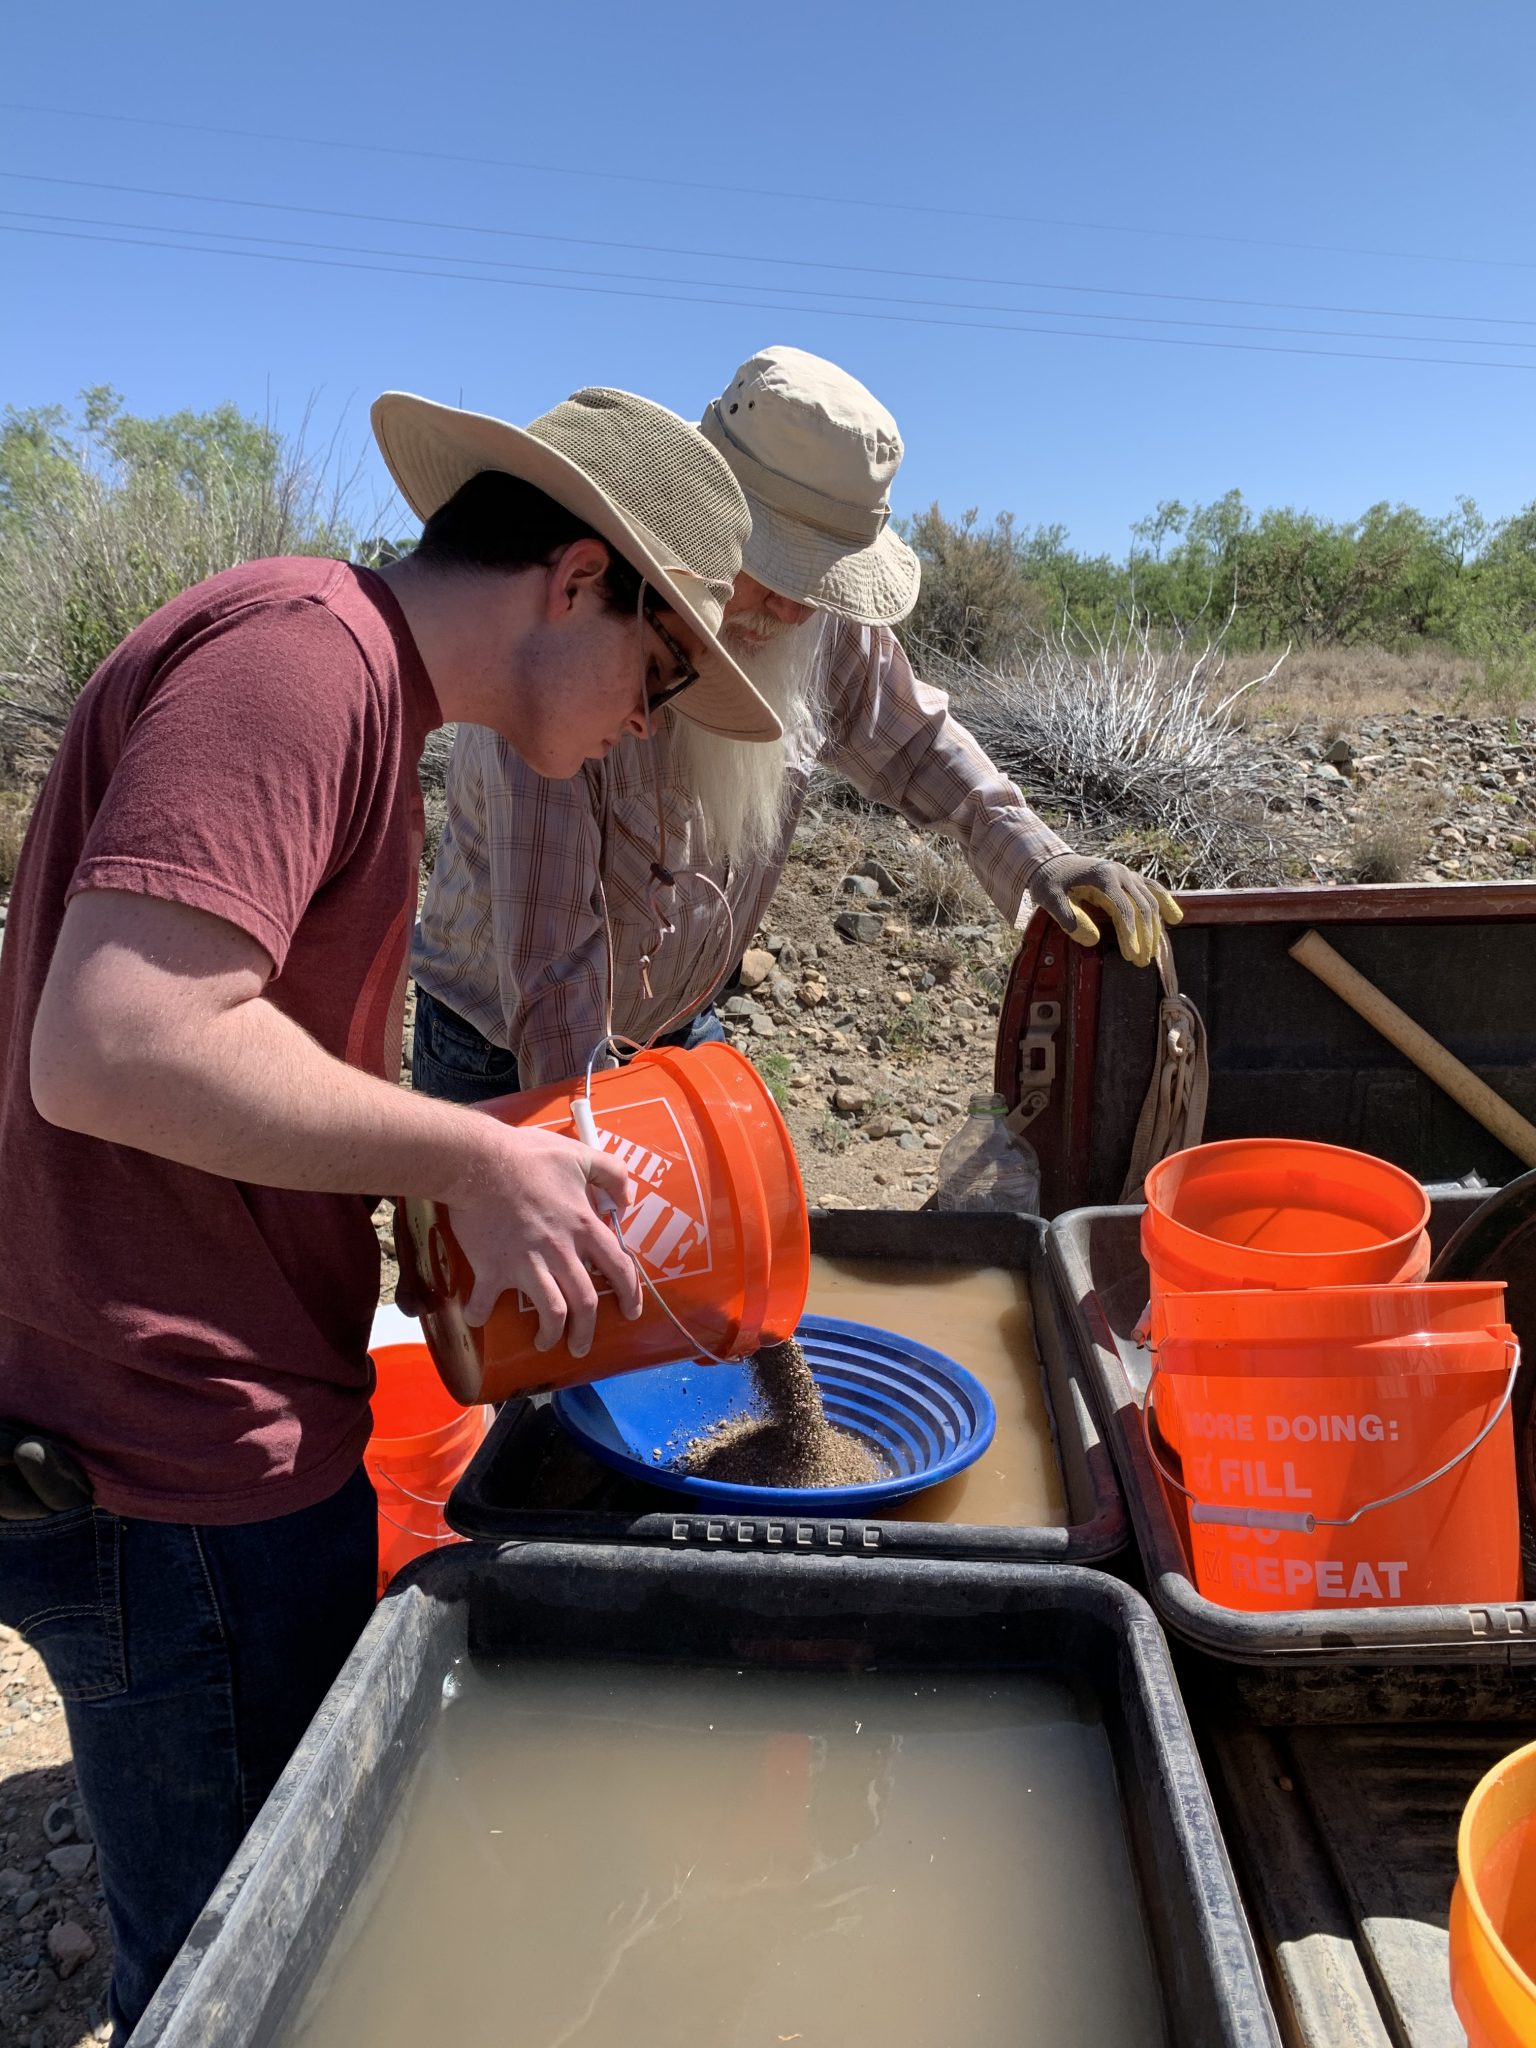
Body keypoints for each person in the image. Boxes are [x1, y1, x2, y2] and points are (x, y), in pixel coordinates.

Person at [0, 384, 777, 2038]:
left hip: (169, 1408)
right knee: (251, 1975)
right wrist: (466, 1160)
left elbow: (219, 1056)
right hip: (178, 1450)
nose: (650, 722)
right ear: (578, 578)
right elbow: (113, 1042)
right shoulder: (306, 666)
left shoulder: (347, 675)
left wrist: (460, 1139)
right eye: (660, 673)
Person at [410, 346, 1181, 1105]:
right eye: (775, 567)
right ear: (701, 518)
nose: (792, 607)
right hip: (503, 1048)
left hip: (671, 1029)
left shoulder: (813, 625)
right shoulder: (575, 644)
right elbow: (552, 973)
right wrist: (594, 1151)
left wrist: (1042, 860)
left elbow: (917, 743)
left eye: (818, 578)